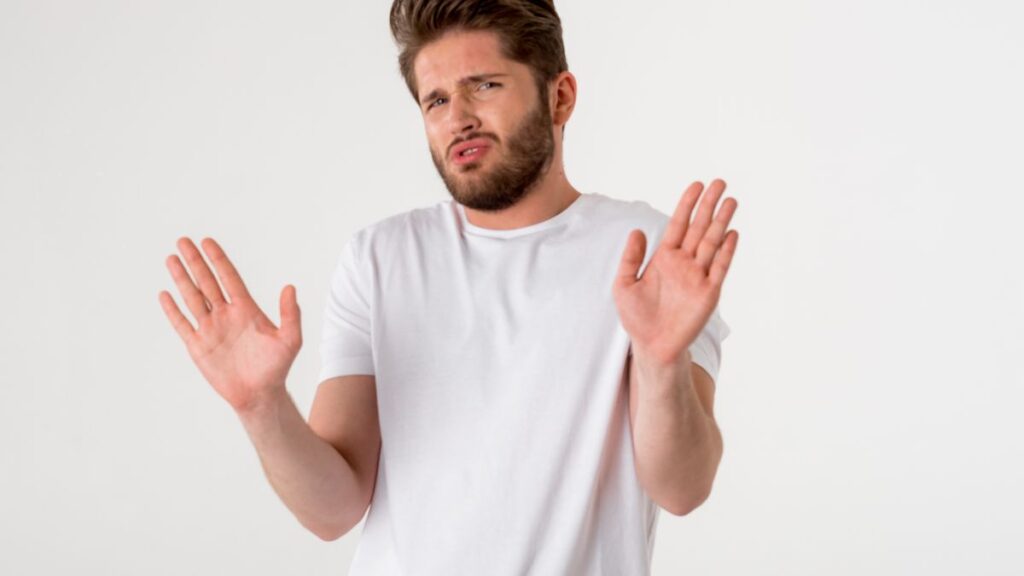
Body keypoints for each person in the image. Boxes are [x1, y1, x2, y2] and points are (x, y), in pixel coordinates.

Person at [158, 0, 739, 573]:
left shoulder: (648, 254)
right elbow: (333, 510)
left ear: (559, 96)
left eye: (484, 85)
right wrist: (261, 406)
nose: (457, 116)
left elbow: (683, 488)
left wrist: (661, 363)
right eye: (435, 99)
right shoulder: (379, 258)